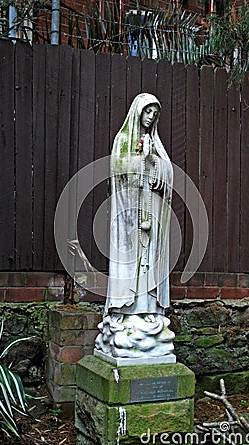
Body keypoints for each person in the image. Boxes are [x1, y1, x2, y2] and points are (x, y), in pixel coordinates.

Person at [95, 93, 175, 360]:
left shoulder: (156, 144)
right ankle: (126, 313)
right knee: (130, 264)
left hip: (151, 214)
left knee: (149, 262)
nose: (151, 117)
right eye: (147, 111)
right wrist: (140, 160)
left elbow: (167, 174)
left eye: (155, 113)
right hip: (130, 217)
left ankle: (148, 310)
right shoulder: (123, 140)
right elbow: (118, 168)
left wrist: (155, 162)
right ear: (138, 112)